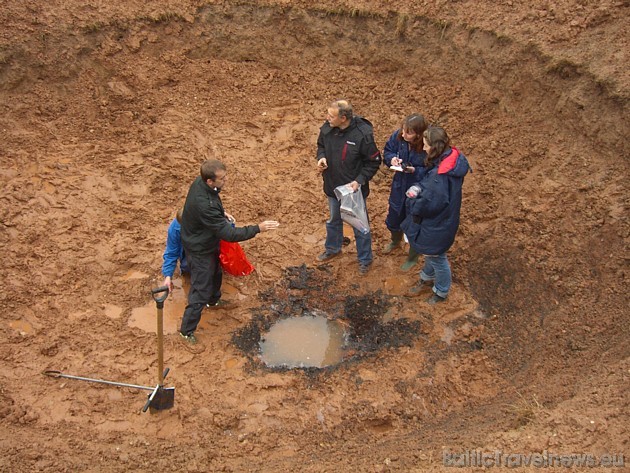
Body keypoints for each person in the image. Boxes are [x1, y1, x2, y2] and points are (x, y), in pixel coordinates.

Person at [179, 159, 279, 345]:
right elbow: (230, 234)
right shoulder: (205, 204)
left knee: (216, 272)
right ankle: (186, 331)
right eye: (222, 178)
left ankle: (213, 300)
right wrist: (258, 228)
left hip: (206, 240)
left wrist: (221, 214)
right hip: (198, 247)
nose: (226, 180)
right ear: (210, 181)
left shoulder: (201, 184)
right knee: (200, 288)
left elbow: (211, 206)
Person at [401, 126, 470, 304]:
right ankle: (426, 278)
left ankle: (441, 291)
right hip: (445, 219)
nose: (423, 148)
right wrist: (421, 187)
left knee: (438, 257)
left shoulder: (441, 176)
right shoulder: (450, 162)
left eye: (425, 145)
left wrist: (412, 200)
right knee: (431, 252)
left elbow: (429, 204)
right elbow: (431, 184)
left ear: (434, 147)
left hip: (437, 224)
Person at [315, 100, 381, 274]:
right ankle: (333, 249)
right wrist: (321, 157)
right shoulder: (328, 127)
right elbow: (321, 145)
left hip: (353, 192)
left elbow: (373, 162)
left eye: (331, 115)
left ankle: (365, 260)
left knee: (359, 225)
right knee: (333, 220)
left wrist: (359, 180)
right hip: (332, 186)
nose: (327, 118)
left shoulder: (362, 135)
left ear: (343, 118)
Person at [382, 113, 429, 271]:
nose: (403, 134)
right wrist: (392, 160)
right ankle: (395, 241)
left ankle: (413, 256)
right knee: (394, 216)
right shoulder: (399, 137)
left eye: (408, 132)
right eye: (403, 130)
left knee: (414, 223)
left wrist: (415, 170)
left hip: (416, 191)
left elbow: (432, 171)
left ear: (418, 134)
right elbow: (388, 150)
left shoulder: (427, 146)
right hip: (399, 186)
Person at [161, 208, 188, 293]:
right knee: (187, 267)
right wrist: (168, 276)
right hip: (188, 252)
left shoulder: (206, 221)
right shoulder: (175, 229)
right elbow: (171, 253)